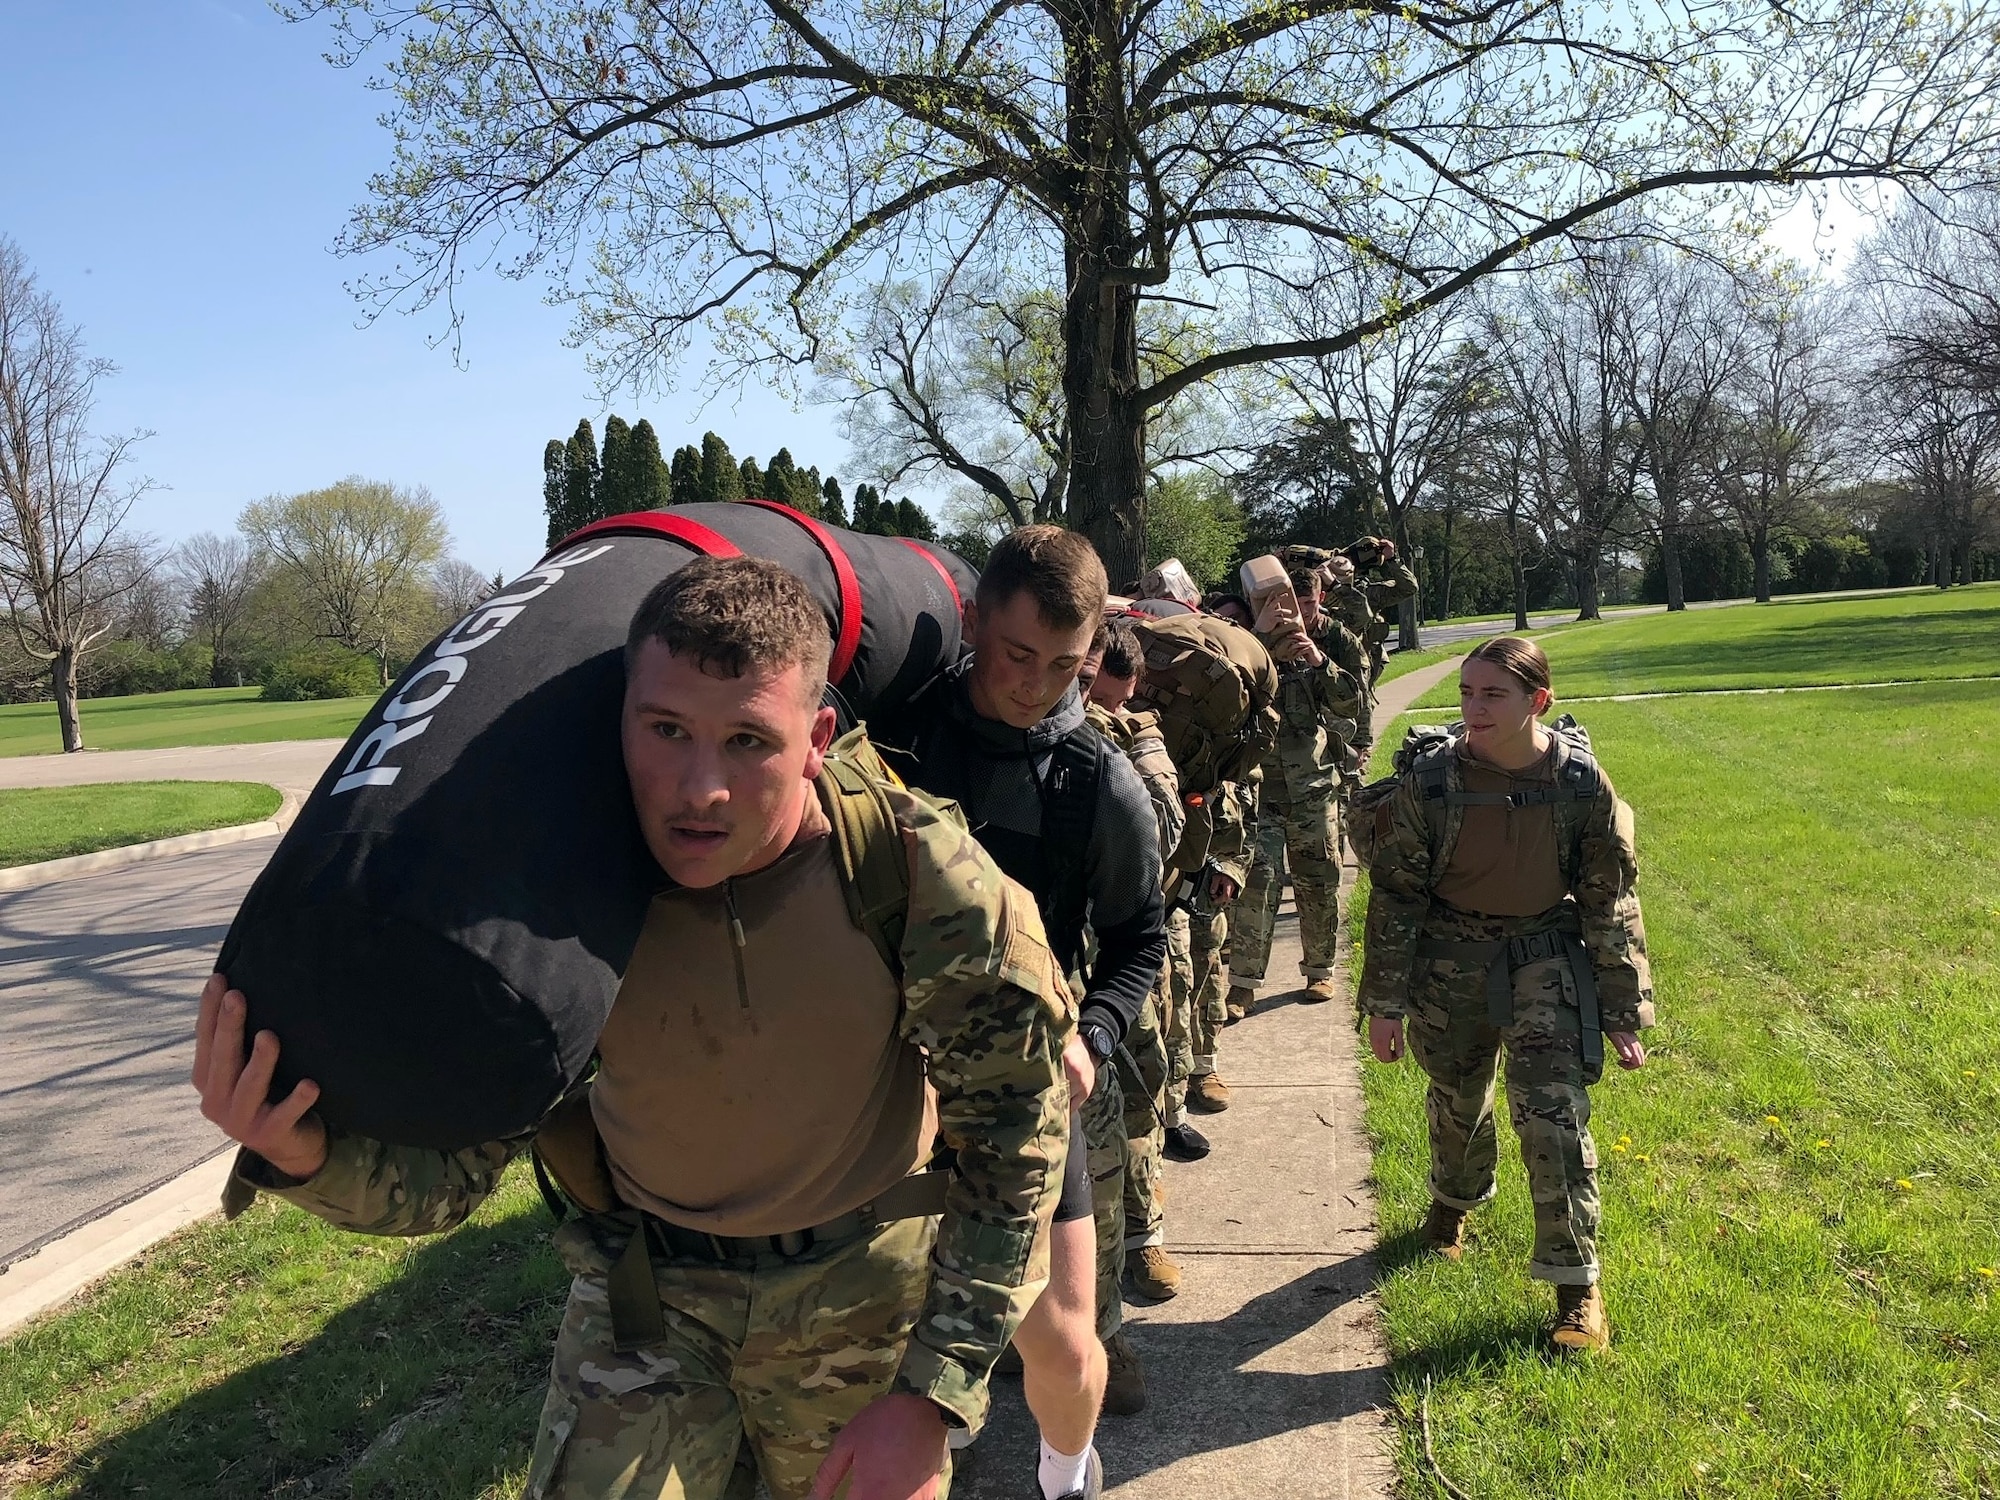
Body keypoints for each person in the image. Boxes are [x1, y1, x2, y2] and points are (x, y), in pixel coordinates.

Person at [195, 557, 1077, 1500]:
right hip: (647, 1300)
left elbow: (1017, 1134)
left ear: (818, 737)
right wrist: (303, 1156)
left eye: (749, 741)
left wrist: (931, 1397)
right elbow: (452, 1183)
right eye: (666, 729)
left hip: (861, 1293)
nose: (700, 788)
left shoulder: (911, 873)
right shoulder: (565, 893)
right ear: (621, 720)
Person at [876, 526, 1169, 1460]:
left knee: (1078, 1335)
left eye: (1066, 665)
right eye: (1015, 655)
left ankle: (1088, 1364)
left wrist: (1095, 1034)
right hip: (896, 1060)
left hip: (1043, 1063)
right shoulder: (899, 738)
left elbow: (1138, 941)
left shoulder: (1098, 782)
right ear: (972, 621)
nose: (1036, 684)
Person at [1357, 636, 1654, 1352]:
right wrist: (1386, 1002)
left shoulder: (1582, 784)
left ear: (1537, 702)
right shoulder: (1432, 783)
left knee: (1553, 1113)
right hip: (1448, 956)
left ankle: (1577, 1287)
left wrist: (1622, 1007)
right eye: (1466, 693)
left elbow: (1610, 900)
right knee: (1458, 1095)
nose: (1475, 708)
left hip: (1543, 956)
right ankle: (1452, 1203)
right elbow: (1395, 897)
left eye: (1494, 694)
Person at [1078, 618, 1185, 1304]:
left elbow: (1166, 832)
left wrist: (1142, 743)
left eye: (1105, 695)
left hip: (1118, 943)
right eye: (1084, 685)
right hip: (1048, 952)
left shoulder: (1128, 737)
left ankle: (1144, 1240)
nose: (1092, 704)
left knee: (1140, 1097)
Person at [1226, 565, 1364, 1019]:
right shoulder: (1244, 645)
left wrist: (1317, 661)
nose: (1287, 613)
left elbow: (1351, 702)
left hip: (1313, 787)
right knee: (1258, 887)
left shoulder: (1320, 645)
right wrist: (1264, 649)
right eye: (1273, 604)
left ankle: (1319, 970)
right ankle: (1243, 984)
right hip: (1261, 790)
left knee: (1319, 881)